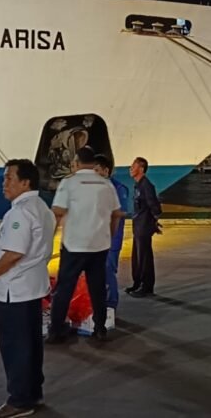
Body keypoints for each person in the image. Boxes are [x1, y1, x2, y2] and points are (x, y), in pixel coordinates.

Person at [0, 159, 55, 418]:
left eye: (9, 178)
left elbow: (14, 253)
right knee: (30, 344)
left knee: (14, 346)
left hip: (14, 291)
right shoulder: (41, 207)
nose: (4, 184)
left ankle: (19, 401)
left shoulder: (21, 212)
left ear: (25, 182)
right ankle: (31, 393)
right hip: (32, 289)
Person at [47, 147, 122, 343]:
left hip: (74, 246)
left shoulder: (69, 183)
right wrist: (109, 235)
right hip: (99, 246)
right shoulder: (106, 184)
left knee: (65, 288)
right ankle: (99, 328)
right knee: (97, 288)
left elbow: (57, 212)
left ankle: (56, 330)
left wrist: (48, 239)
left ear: (77, 162)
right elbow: (116, 215)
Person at [94, 154, 129, 326]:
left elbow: (120, 214)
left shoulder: (118, 188)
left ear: (106, 170)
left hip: (111, 240)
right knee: (98, 274)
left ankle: (111, 306)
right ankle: (100, 306)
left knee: (108, 271)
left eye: (97, 171)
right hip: (97, 240)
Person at [126, 157, 162, 298]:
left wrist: (154, 221)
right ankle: (137, 282)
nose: (130, 168)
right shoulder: (138, 185)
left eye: (133, 166)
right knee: (137, 255)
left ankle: (146, 286)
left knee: (144, 256)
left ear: (141, 169)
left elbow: (154, 205)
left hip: (144, 225)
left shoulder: (146, 185)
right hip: (138, 224)